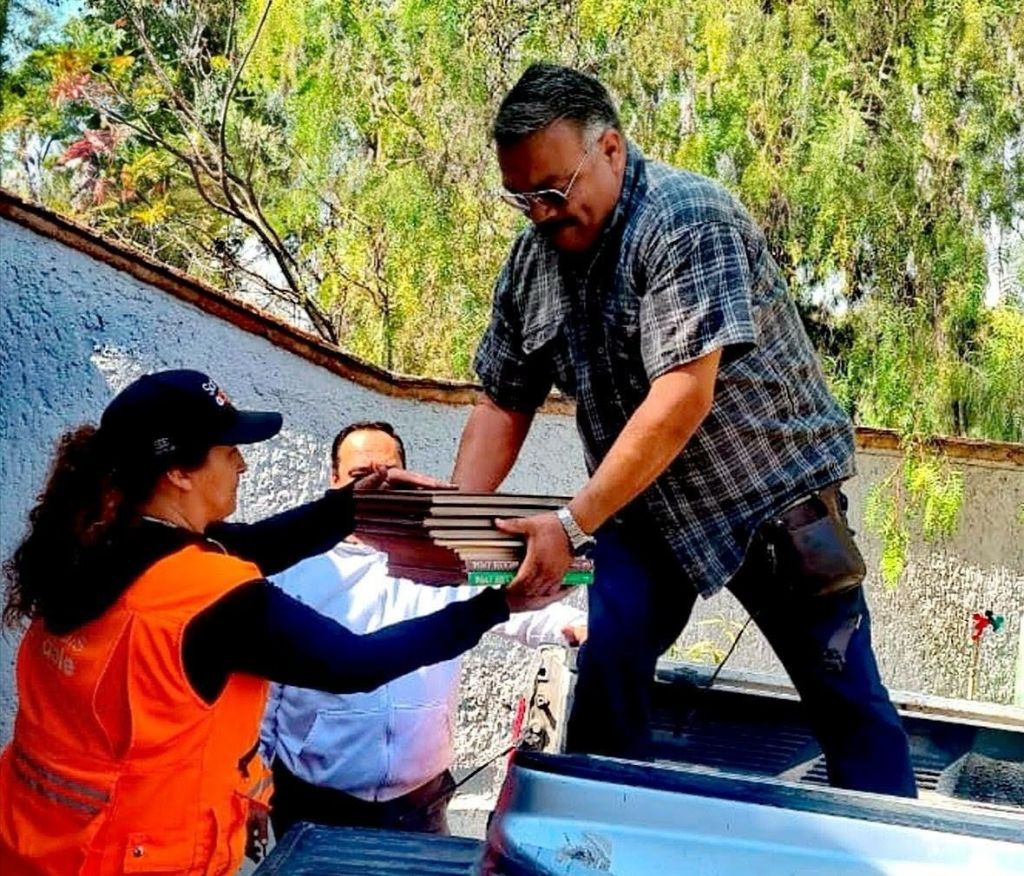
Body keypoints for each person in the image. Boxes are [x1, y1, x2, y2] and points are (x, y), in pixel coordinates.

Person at [450, 63, 917, 797]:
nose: (540, 213)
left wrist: (570, 525)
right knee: (608, 676)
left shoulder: (685, 218)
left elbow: (680, 399)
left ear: (610, 148)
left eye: (553, 191)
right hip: (645, 515)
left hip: (772, 505)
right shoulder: (531, 262)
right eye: (522, 199)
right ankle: (603, 842)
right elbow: (503, 399)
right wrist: (453, 517)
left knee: (849, 707)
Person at [0, 370, 565, 875]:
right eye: (228, 451)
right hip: (127, 856)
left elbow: (261, 541)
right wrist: (498, 605)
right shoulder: (205, 593)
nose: (241, 463)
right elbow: (353, 663)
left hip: (38, 842)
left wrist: (352, 504)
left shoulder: (96, 545)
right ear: (179, 470)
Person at [261, 421, 587, 838]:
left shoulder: (438, 559)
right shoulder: (297, 569)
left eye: (391, 473)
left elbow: (515, 605)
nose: (380, 486)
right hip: (316, 803)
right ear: (334, 480)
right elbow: (264, 694)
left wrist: (576, 626)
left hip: (422, 803)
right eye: (363, 476)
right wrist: (254, 786)